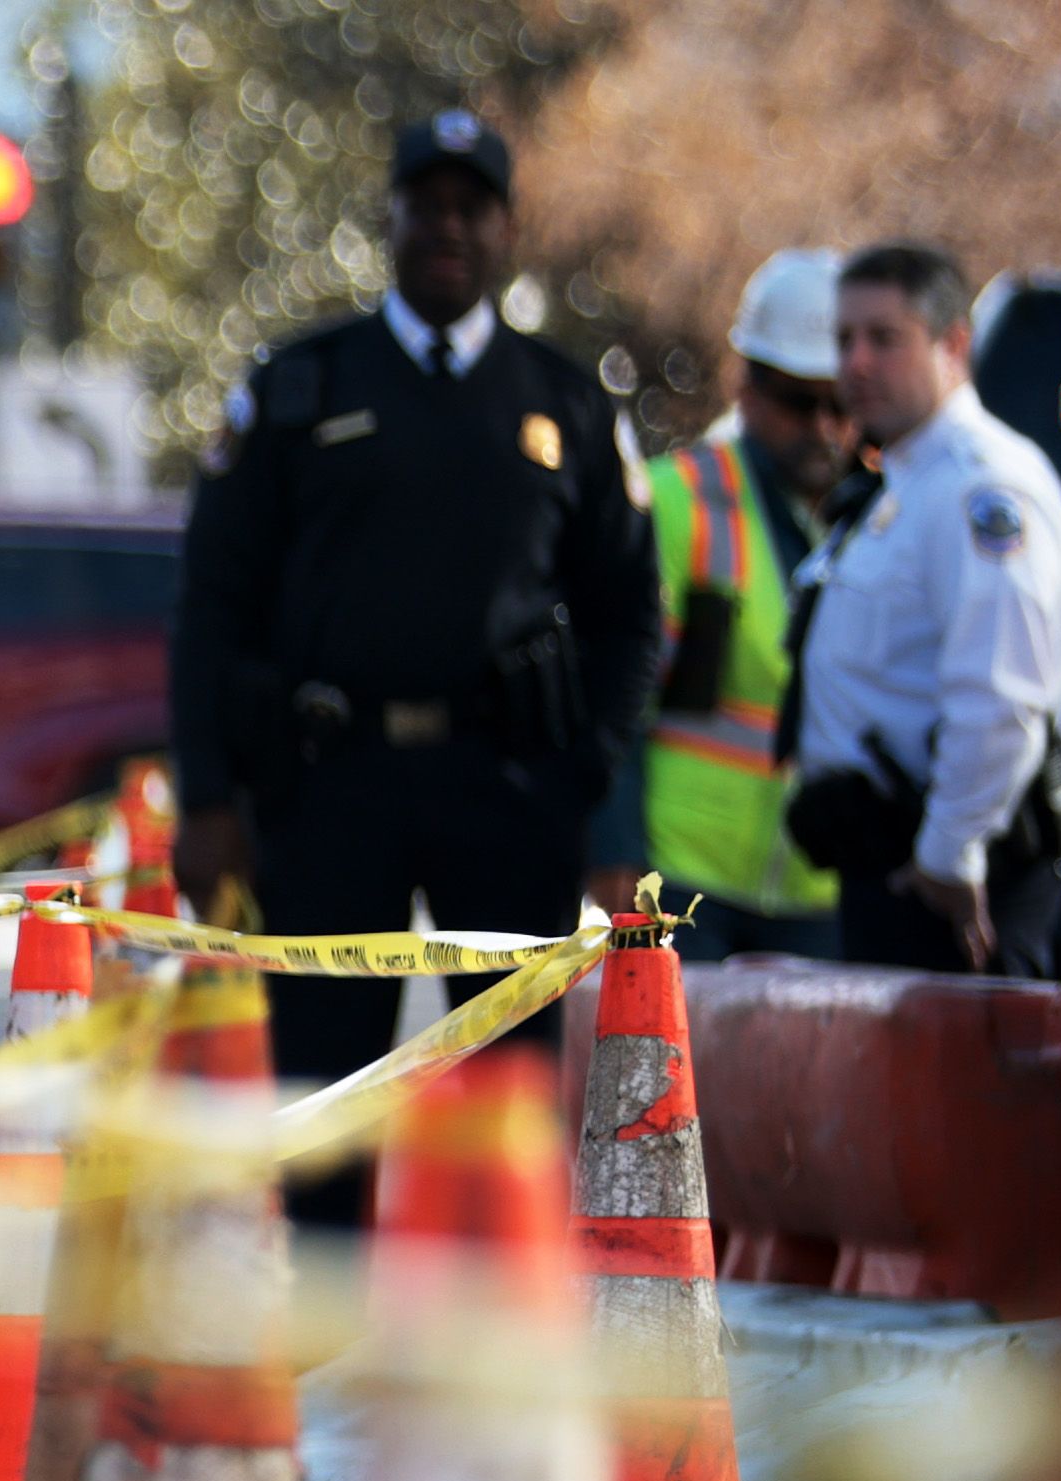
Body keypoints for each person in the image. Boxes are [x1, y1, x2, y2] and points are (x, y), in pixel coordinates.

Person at [168, 107, 660, 1215]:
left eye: (471, 208)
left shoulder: (565, 403)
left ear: (505, 229)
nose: (446, 228)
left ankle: (491, 1355)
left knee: (509, 1097)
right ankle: (325, 1343)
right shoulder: (300, 388)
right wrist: (206, 793)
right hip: (332, 784)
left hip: (508, 790)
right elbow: (211, 600)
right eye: (424, 205)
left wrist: (588, 775)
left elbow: (630, 609)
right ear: (386, 219)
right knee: (324, 1094)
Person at [784, 239, 1061, 977]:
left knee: (963, 1093)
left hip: (951, 882)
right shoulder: (907, 479)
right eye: (844, 339)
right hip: (896, 864)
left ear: (954, 344)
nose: (854, 363)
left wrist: (949, 855)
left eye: (884, 338)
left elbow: (1000, 698)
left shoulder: (982, 488)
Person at [602, 249, 859, 956]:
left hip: (815, 890)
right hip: (684, 882)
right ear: (745, 385)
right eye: (798, 401)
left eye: (840, 404)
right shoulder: (678, 501)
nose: (823, 427)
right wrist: (614, 848)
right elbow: (617, 699)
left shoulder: (875, 518)